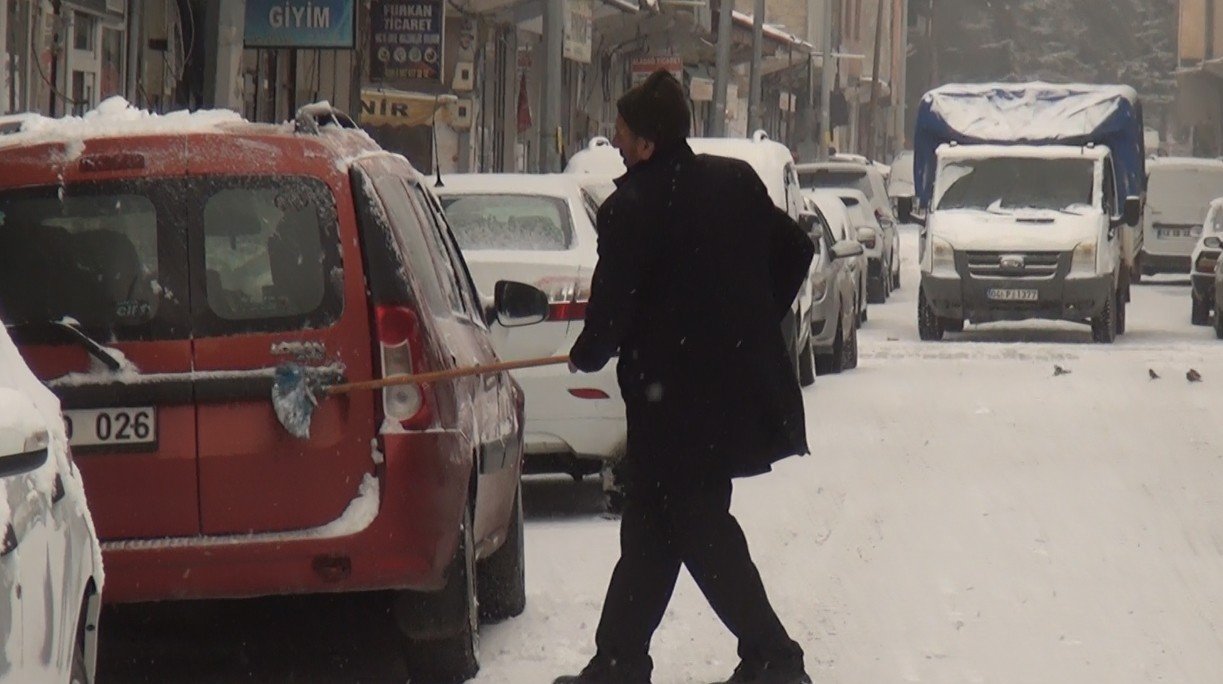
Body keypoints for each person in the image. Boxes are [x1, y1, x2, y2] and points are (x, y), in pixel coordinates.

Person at [555, 70, 815, 684]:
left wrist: (586, 355)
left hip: (669, 409)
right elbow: (794, 252)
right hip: (721, 401)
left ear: (647, 141)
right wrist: (747, 326)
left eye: (622, 130)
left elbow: (611, 314)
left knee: (701, 531)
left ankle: (774, 658)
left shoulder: (630, 209)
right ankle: (618, 660)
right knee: (650, 530)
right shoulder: (734, 183)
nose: (614, 139)